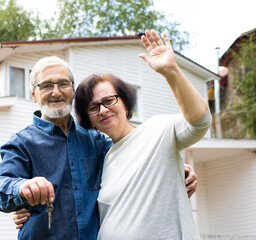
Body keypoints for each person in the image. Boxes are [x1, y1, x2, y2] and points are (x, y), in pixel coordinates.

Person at [0, 53, 198, 239]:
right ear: (34, 95)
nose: (56, 92)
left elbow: (130, 158)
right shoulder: (21, 143)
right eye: (46, 86)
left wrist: (177, 169)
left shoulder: (96, 141)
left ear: (72, 90)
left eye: (63, 84)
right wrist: (21, 189)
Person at [73, 30, 211, 239]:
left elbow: (200, 122)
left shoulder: (159, 130)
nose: (103, 110)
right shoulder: (103, 160)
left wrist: (171, 71)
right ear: (88, 119)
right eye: (93, 107)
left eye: (109, 100)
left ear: (125, 103)